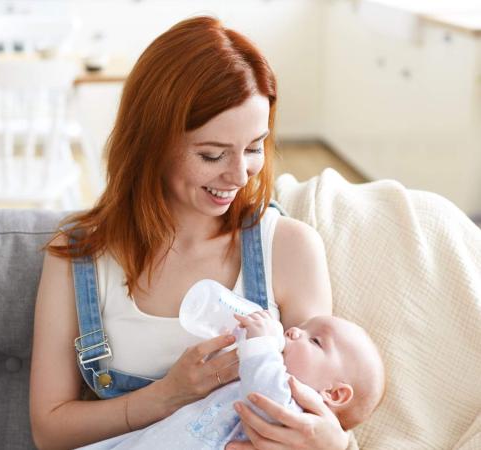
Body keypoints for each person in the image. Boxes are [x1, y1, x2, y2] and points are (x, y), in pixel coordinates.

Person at [30, 16, 349, 450]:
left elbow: (318, 413)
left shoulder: (290, 249)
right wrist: (167, 396)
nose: (239, 175)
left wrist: (332, 444)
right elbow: (49, 430)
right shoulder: (78, 255)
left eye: (254, 147)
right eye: (213, 154)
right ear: (152, 143)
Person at [76, 311, 386, 449]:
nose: (293, 331)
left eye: (315, 340)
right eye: (301, 326)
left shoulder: (295, 411)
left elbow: (267, 397)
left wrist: (262, 343)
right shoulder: (256, 372)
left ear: (334, 394)